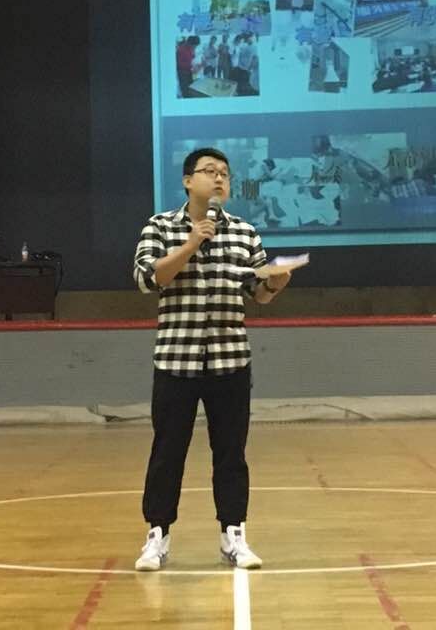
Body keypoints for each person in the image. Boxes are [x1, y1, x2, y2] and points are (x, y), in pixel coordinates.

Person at [131, 147, 294, 571]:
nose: (219, 178)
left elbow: (258, 294)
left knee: (231, 452)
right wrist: (191, 243)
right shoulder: (159, 226)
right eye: (209, 171)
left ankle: (233, 535)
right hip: (176, 360)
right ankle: (157, 535)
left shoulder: (244, 232)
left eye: (224, 173)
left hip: (230, 361)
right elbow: (149, 279)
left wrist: (275, 284)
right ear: (188, 181)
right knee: (168, 451)